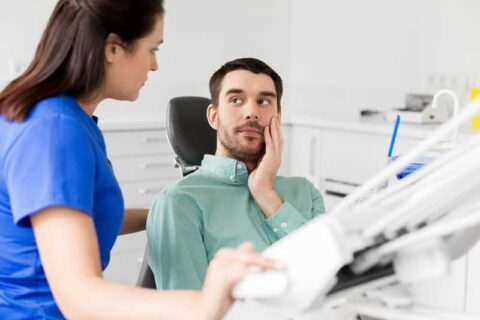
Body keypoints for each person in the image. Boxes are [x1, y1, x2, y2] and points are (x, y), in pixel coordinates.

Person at [0, 1, 278, 319]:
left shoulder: (61, 119)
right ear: (113, 48)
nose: (154, 65)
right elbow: (78, 297)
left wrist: (175, 211)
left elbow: (78, 222)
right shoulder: (55, 130)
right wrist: (204, 302)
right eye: (152, 49)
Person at [147, 57, 326, 290]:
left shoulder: (304, 191)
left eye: (263, 101)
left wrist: (266, 194)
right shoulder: (179, 202)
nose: (251, 112)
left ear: (278, 120)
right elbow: (186, 309)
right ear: (213, 116)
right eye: (236, 100)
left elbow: (330, 275)